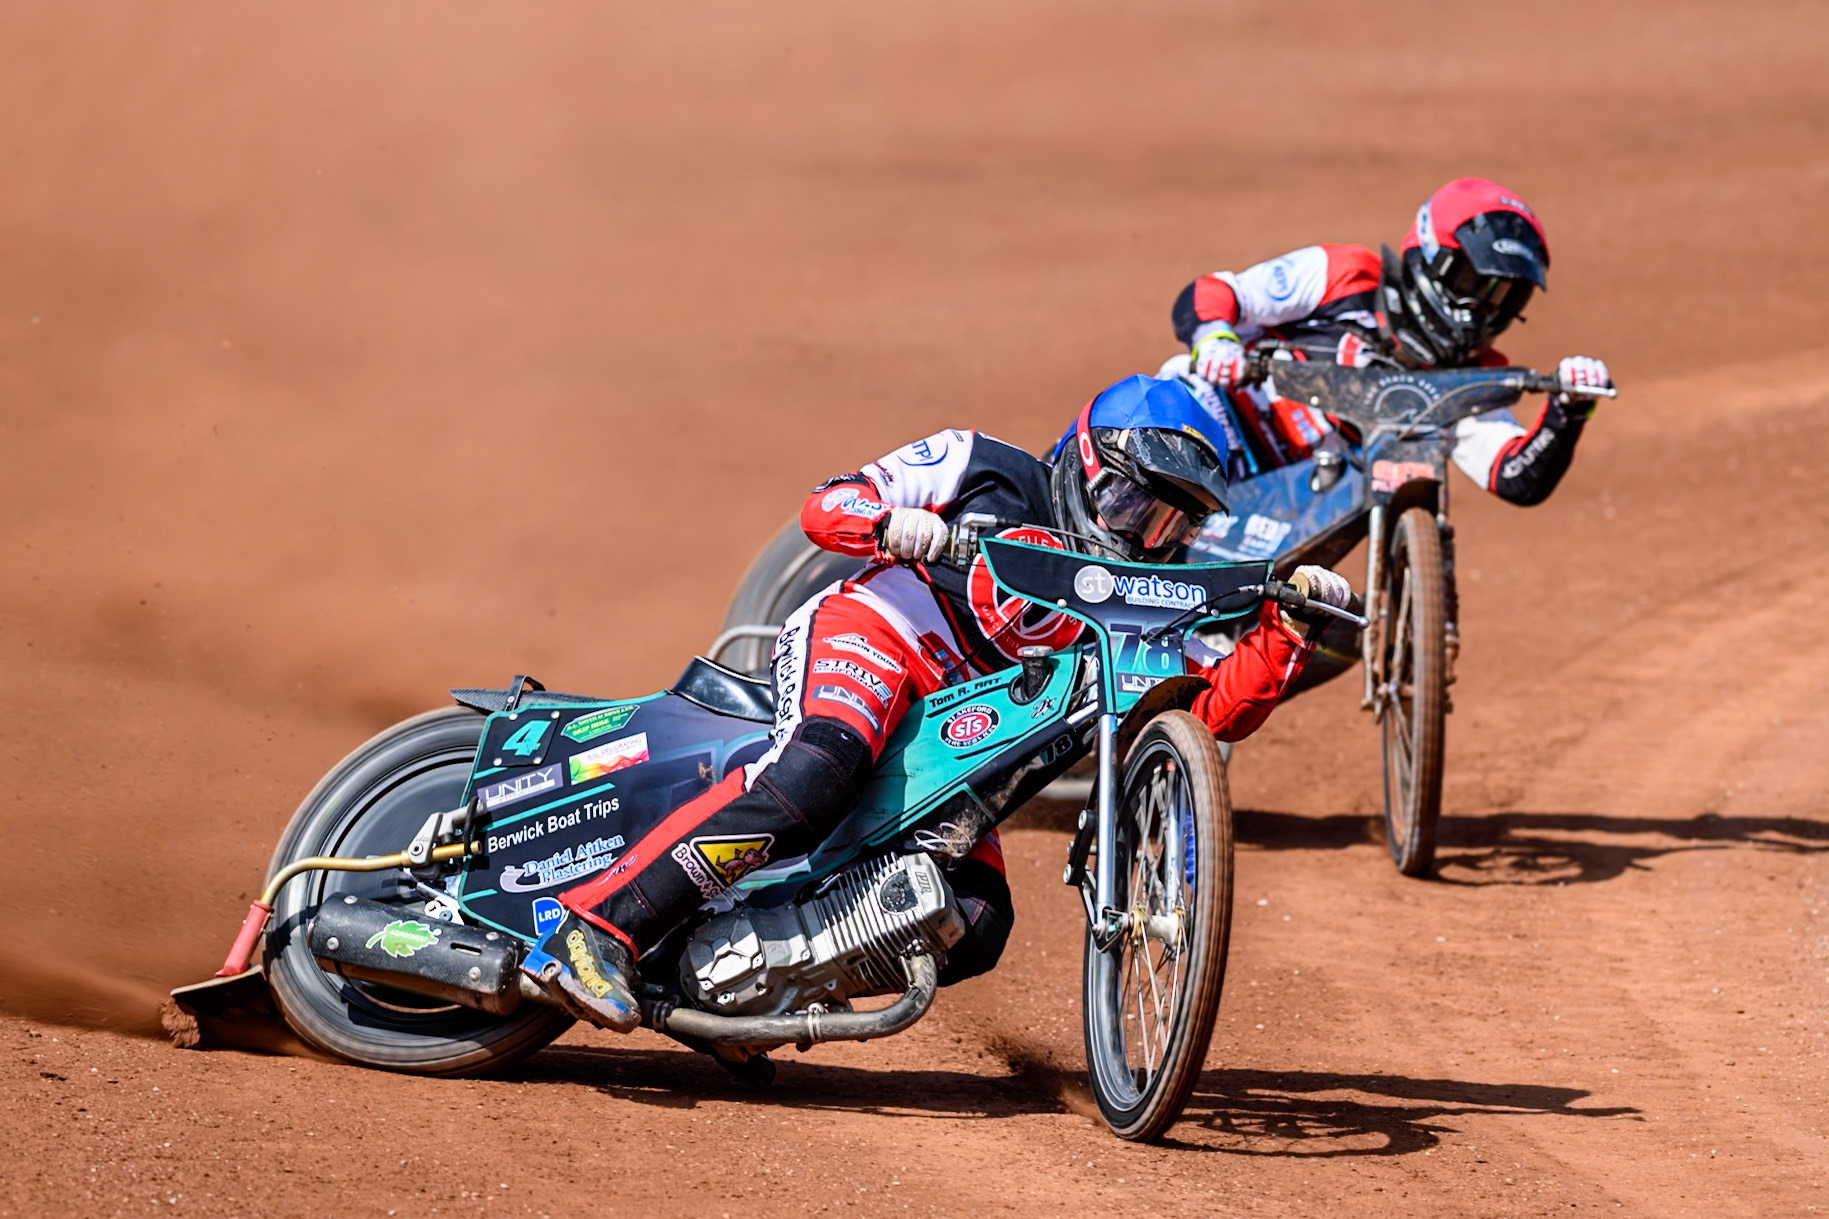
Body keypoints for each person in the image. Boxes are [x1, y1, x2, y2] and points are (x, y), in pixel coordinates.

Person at [527, 374, 1354, 1031]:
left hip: (965, 738)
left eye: (1171, 525)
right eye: (1133, 504)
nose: (1142, 535)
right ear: (1086, 461)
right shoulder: (981, 462)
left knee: (976, 922)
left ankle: (740, 996)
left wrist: (1289, 625)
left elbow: (1205, 712)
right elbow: (829, 501)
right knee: (820, 770)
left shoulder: (1144, 596)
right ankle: (596, 927)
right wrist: (892, 525)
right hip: (879, 632)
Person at [1163, 177, 1613, 504]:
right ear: (1432, 256)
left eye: (1505, 296)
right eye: (1473, 282)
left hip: (1281, 512)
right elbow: (1220, 293)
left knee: (1328, 631)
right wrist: (1216, 340)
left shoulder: (1471, 379)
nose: (1483, 308)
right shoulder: (1347, 274)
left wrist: (1569, 411)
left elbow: (1513, 474)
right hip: (1214, 424)